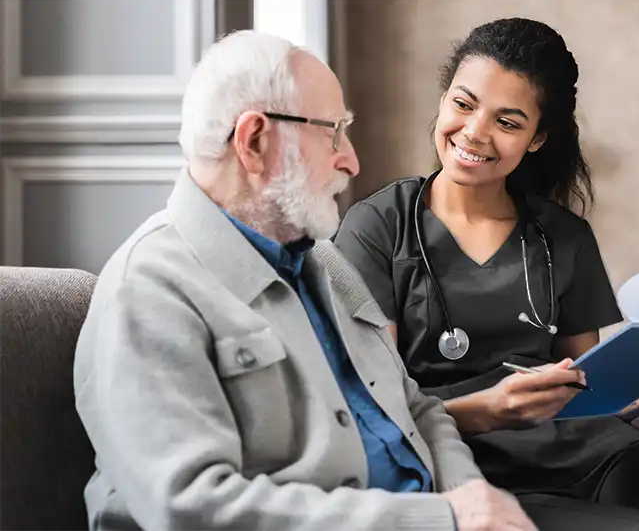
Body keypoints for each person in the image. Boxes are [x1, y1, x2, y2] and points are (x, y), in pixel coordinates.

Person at [334, 17, 639, 531]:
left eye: (508, 122)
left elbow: (584, 384)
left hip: (591, 453)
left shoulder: (563, 236)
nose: (474, 131)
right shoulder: (378, 227)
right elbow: (370, 406)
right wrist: (489, 409)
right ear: (443, 99)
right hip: (471, 472)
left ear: (537, 139)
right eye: (463, 104)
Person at [72, 30, 541, 531]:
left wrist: (472, 498)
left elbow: (415, 406)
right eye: (333, 132)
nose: (351, 160)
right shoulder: (147, 289)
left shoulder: (326, 261)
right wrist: (436, 518)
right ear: (254, 141)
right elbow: (192, 508)